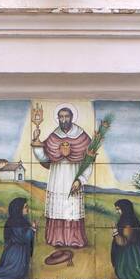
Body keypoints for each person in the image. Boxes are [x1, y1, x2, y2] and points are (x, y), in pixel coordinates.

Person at [32, 104, 92, 252]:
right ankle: (56, 238)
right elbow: (45, 158)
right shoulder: (54, 136)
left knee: (72, 207)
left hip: (73, 176)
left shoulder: (82, 137)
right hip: (57, 178)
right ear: (58, 118)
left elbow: (88, 162)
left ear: (72, 117)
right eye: (61, 117)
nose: (64, 119)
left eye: (67, 116)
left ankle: (74, 239)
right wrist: (36, 142)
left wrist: (80, 180)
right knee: (58, 207)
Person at [111, 199, 140, 279]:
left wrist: (115, 231)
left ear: (125, 209)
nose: (117, 212)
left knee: (128, 276)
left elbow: (123, 242)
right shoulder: (129, 219)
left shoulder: (128, 223)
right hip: (132, 253)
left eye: (118, 209)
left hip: (131, 258)